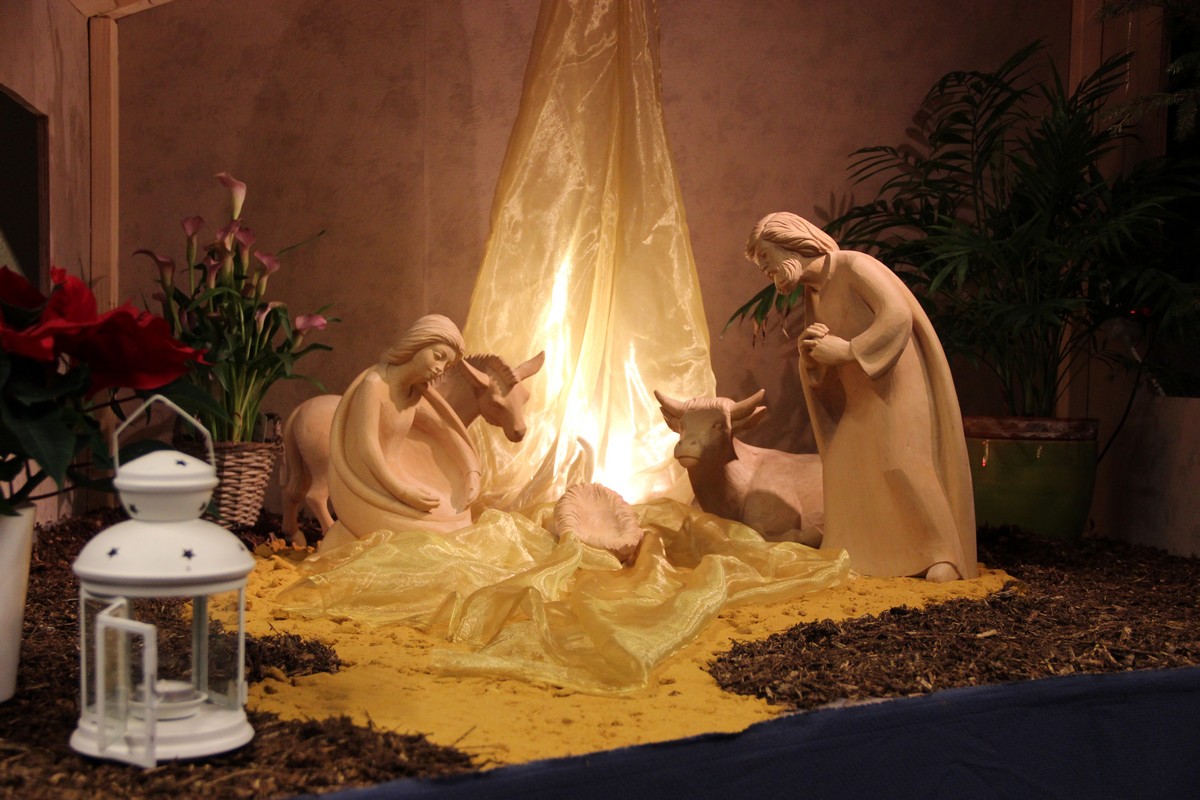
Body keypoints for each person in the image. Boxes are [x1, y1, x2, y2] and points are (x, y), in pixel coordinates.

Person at [745, 212, 976, 581]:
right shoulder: (814, 292)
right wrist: (811, 354)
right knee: (849, 466)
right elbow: (825, 353)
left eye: (764, 257)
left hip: (894, 384)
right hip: (858, 393)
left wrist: (849, 350)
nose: (763, 269)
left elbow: (897, 315)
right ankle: (870, 553)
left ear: (789, 243)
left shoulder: (853, 265)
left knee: (902, 463)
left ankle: (943, 554)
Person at [323, 314, 482, 549]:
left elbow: (446, 431)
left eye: (447, 365)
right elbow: (368, 448)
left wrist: (471, 472)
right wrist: (402, 492)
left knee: (456, 517)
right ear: (418, 343)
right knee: (439, 532)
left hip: (400, 478)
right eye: (438, 356)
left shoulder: (416, 393)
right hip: (374, 481)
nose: (440, 368)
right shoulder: (374, 385)